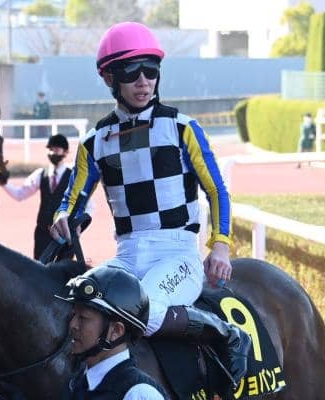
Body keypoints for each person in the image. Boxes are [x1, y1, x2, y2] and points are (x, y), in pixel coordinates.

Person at [50, 22, 251, 388]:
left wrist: (220, 245)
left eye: (151, 70)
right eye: (132, 72)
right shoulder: (94, 141)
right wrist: (63, 216)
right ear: (110, 78)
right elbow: (72, 201)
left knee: (143, 310)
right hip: (127, 256)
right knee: (75, 302)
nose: (144, 81)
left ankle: (226, 333)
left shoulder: (182, 127)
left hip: (177, 255)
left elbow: (216, 190)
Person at [0, 266, 168, 399]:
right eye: (73, 315)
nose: (73, 325)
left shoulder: (138, 393)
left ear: (116, 330)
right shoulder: (79, 384)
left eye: (83, 317)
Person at [0, 133, 78, 259]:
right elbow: (20, 194)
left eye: (56, 149)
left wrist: (78, 225)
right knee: (39, 267)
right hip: (43, 232)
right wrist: (3, 183)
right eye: (50, 149)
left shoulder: (73, 178)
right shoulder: (40, 174)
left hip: (65, 232)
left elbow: (86, 205)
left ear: (65, 152)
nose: (52, 153)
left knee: (63, 268)